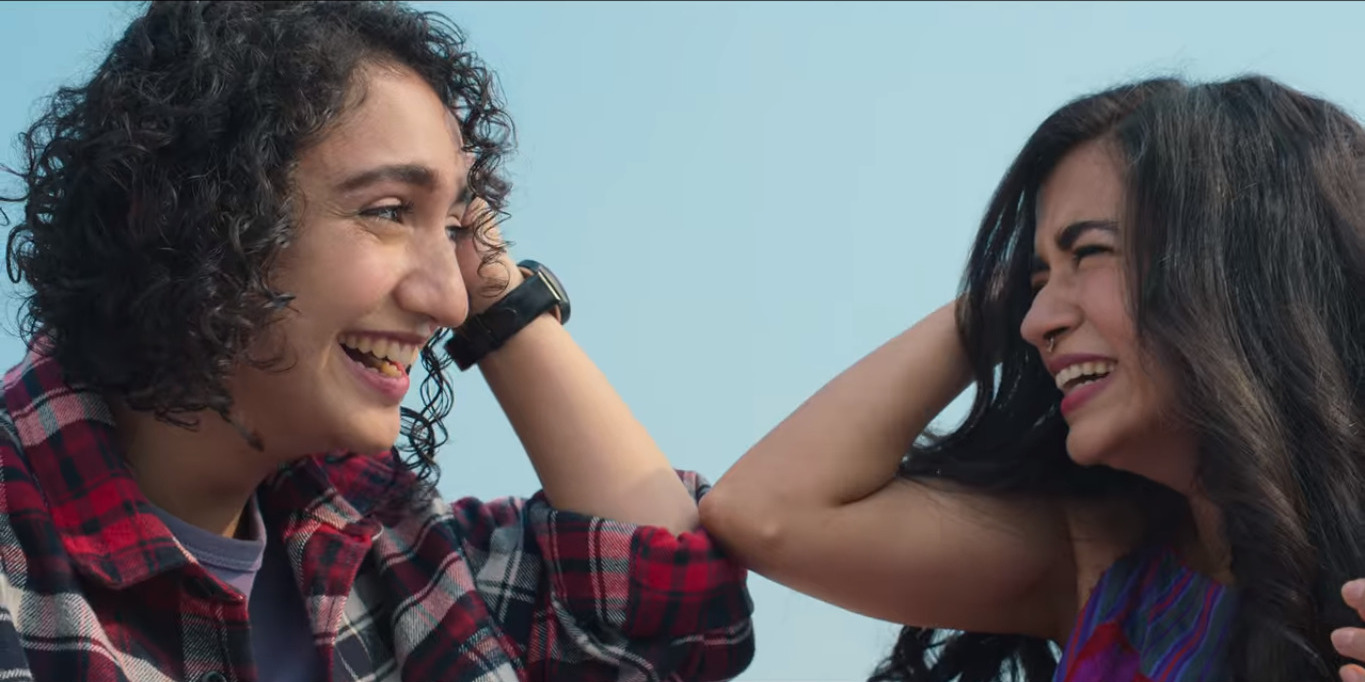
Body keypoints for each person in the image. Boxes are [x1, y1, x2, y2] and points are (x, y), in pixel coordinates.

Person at [0, 2, 754, 681]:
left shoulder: (391, 551)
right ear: (176, 211)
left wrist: (506, 306)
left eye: (456, 230)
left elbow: (678, 609)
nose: (452, 298)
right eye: (389, 211)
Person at [700, 74, 1365, 682]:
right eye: (1033, 280)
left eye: (1089, 252)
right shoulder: (1102, 563)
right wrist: (989, 299)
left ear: (1238, 266)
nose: (1034, 321)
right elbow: (766, 514)